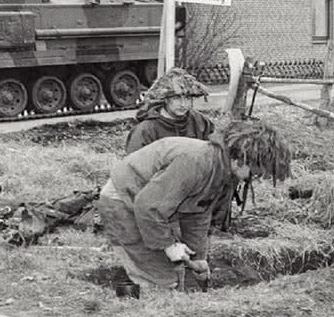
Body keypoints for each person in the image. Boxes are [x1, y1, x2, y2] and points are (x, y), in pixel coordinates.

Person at [98, 121, 292, 291]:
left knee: (175, 271)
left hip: (154, 205)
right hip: (123, 200)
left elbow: (197, 212)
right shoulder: (196, 162)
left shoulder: (220, 168)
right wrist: (168, 245)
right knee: (159, 278)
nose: (256, 177)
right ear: (240, 158)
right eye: (256, 171)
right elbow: (148, 206)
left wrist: (199, 256)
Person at [125, 67, 214, 154]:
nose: (183, 104)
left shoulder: (200, 121)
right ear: (165, 99)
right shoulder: (146, 130)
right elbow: (134, 165)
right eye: (176, 98)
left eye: (187, 98)